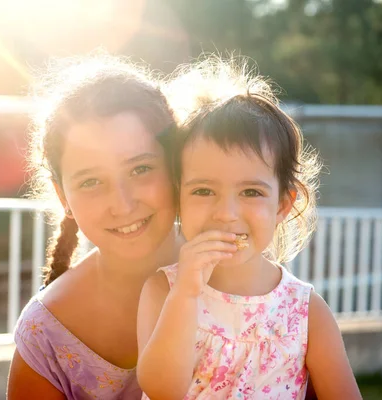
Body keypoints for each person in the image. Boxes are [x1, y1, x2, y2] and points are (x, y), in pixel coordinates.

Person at [136, 57, 362, 399]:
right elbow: (161, 390)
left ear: (283, 204)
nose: (226, 213)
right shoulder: (163, 291)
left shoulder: (306, 311)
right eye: (203, 190)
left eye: (251, 192)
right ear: (178, 195)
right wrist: (185, 294)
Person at [7, 54, 182, 399]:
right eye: (91, 182)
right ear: (63, 197)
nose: (122, 203)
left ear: (176, 166)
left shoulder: (249, 284)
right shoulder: (47, 334)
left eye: (141, 169)